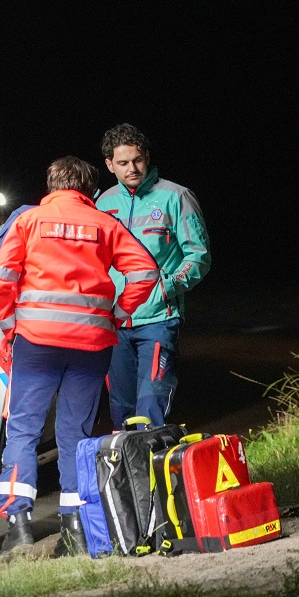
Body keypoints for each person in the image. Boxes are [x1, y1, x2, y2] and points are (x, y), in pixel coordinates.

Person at [0, 156, 159, 556]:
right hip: (91, 347)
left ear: (52, 185)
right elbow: (146, 273)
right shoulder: (106, 224)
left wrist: (10, 324)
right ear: (89, 189)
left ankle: (18, 526)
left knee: (24, 431)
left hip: (36, 343)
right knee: (75, 436)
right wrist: (116, 316)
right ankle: (76, 530)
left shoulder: (28, 221)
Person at [96, 124, 210, 429]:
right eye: (122, 163)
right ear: (109, 165)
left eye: (137, 160)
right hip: (115, 322)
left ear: (147, 156)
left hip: (159, 320)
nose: (132, 168)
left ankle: (153, 475)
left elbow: (198, 255)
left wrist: (167, 287)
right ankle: (129, 475)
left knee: (151, 407)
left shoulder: (177, 196)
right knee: (121, 410)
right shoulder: (102, 204)